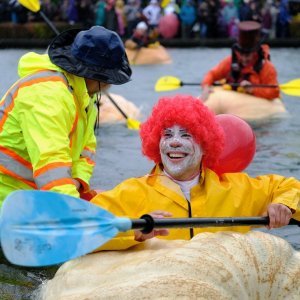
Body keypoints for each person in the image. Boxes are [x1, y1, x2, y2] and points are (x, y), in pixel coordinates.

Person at [91, 94, 300, 250]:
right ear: (156, 142)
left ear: (205, 144)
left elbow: (288, 186)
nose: (174, 142)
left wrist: (284, 205)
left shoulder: (235, 189)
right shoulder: (132, 192)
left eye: (185, 135)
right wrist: (135, 230)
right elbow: (81, 229)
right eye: (167, 134)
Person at [0, 26, 132, 206]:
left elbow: (87, 149)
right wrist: (73, 211)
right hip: (7, 196)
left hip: (35, 194)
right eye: (110, 79)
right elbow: (51, 161)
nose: (110, 85)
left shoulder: (84, 96)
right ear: (97, 77)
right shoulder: (47, 94)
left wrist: (77, 181)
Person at [201, 21, 280, 101]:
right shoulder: (230, 61)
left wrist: (253, 89)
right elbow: (211, 74)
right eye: (241, 54)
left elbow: (274, 91)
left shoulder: (267, 67)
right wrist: (206, 86)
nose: (244, 59)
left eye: (247, 55)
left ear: (254, 53)